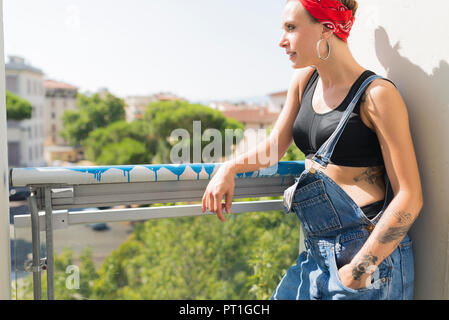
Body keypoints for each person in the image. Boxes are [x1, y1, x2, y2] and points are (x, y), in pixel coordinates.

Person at [201, 0, 423, 300]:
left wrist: (357, 271)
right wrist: (228, 168)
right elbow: (274, 147)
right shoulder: (305, 80)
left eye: (291, 28)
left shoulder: (378, 95)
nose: (282, 40)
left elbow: (409, 196)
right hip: (316, 251)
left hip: (366, 255)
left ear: (326, 29)